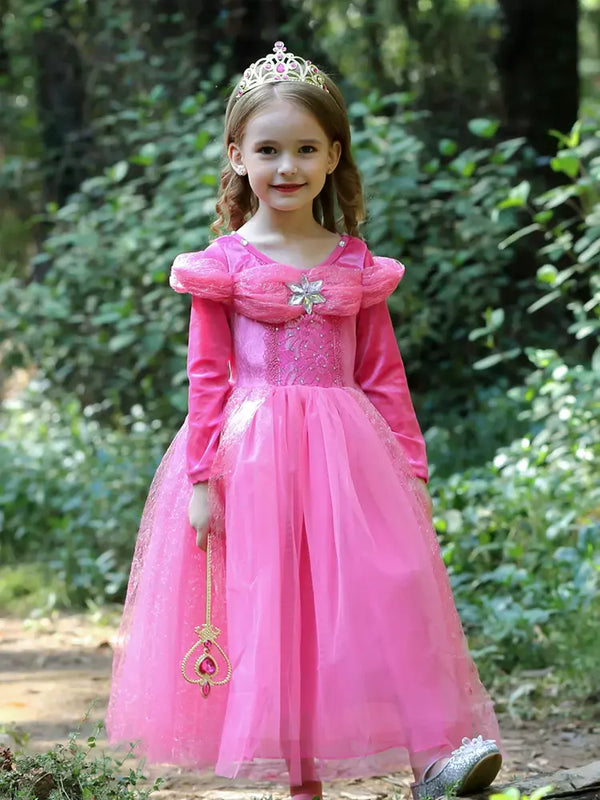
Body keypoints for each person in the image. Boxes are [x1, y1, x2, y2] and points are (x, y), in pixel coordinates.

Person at [106, 40, 502, 800]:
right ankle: (302, 784)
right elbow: (207, 378)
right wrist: (199, 477)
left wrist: (410, 469)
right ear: (236, 155)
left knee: (385, 594)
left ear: (332, 157)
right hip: (251, 458)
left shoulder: (355, 264)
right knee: (274, 614)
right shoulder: (223, 264)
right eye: (268, 149)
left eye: (304, 150)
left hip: (350, 460)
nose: (285, 167)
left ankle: (435, 763)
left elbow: (384, 377)